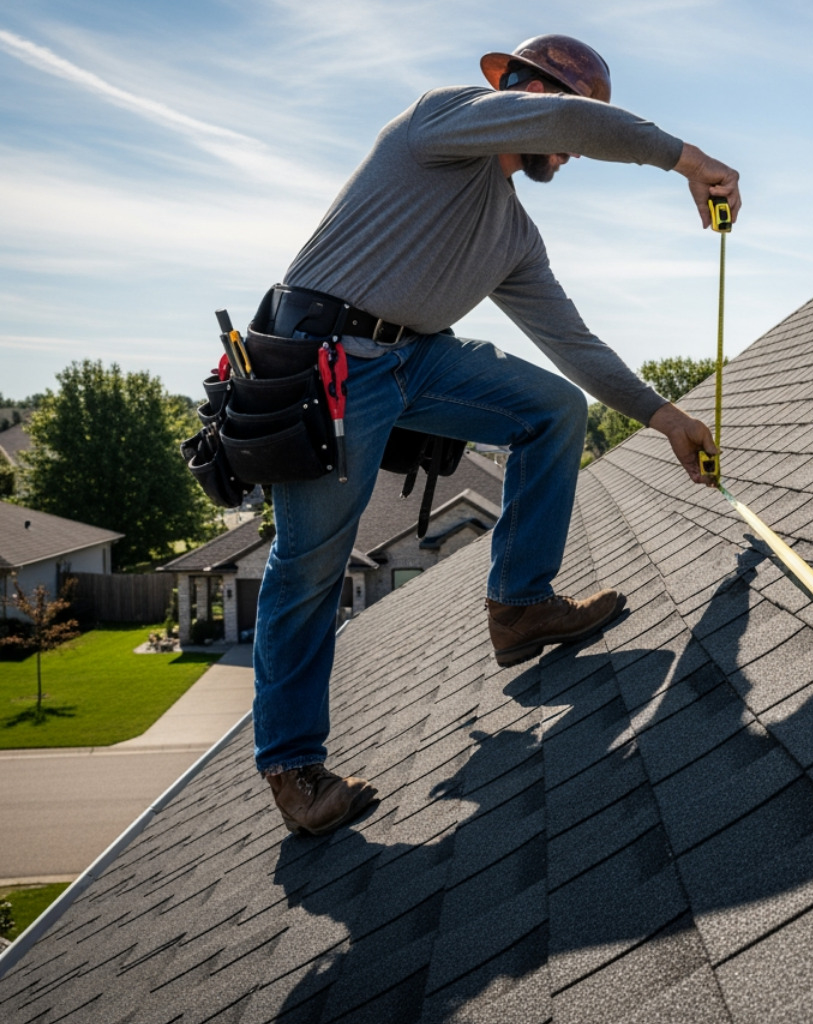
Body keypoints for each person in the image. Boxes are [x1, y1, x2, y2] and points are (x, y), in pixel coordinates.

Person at [253, 34, 737, 836]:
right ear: (528, 93)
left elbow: (573, 344)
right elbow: (572, 123)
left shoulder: (512, 236)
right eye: (571, 124)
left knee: (553, 408)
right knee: (309, 563)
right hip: (327, 359)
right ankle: (293, 765)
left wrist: (668, 418)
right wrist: (690, 162)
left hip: (415, 359)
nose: (572, 154)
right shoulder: (440, 122)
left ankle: (519, 605)